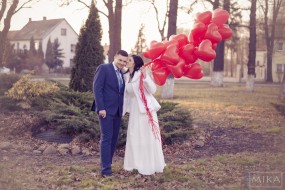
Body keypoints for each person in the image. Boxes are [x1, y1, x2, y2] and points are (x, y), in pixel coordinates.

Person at [122, 55, 166, 175]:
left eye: (129, 60)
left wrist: (146, 76)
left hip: (146, 110)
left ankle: (149, 165)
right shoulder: (125, 76)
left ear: (135, 63)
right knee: (133, 135)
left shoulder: (142, 74)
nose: (127, 61)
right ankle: (134, 164)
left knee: (147, 136)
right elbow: (126, 96)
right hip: (134, 110)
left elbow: (152, 90)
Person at [92, 50, 128, 177]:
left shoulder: (121, 73)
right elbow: (97, 88)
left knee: (113, 139)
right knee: (106, 138)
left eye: (125, 61)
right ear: (115, 57)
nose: (122, 63)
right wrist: (101, 107)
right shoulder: (104, 68)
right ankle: (105, 170)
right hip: (105, 110)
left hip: (117, 110)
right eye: (120, 60)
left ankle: (108, 163)